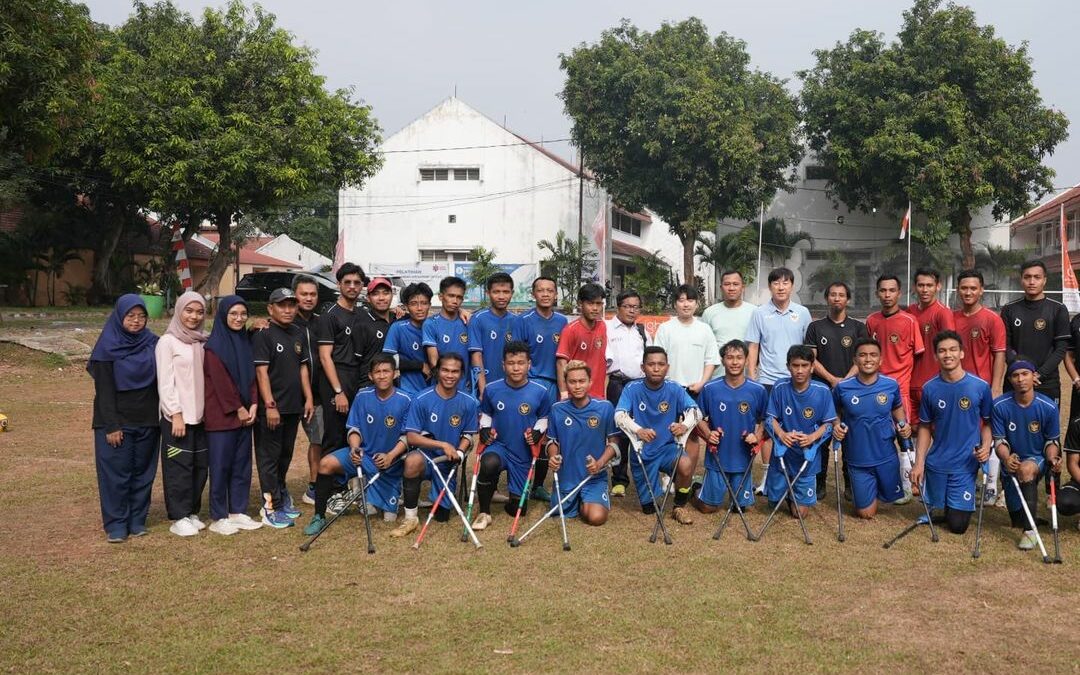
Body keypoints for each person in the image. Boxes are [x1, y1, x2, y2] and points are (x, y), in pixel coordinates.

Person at [304, 353, 411, 535]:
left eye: (386, 371)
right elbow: (354, 428)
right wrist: (355, 447)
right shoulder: (362, 396)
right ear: (370, 376)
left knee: (389, 518)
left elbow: (409, 436)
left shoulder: (407, 399)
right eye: (377, 372)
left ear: (395, 374)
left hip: (390, 461)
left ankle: (386, 493)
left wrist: (391, 456)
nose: (382, 375)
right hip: (363, 456)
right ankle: (319, 516)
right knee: (325, 464)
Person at [88, 295, 161, 543]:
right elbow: (104, 390)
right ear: (120, 317)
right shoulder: (106, 347)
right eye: (131, 316)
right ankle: (116, 523)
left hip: (148, 419)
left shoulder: (152, 342)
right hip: (116, 422)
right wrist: (112, 425)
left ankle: (137, 519)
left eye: (141, 317)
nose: (137, 321)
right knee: (115, 475)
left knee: (143, 472)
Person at [910, 331, 993, 535]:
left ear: (962, 353)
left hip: (965, 463)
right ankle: (940, 500)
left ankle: (955, 502)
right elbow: (924, 427)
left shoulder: (980, 387)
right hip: (937, 462)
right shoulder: (929, 388)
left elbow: (989, 423)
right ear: (936, 356)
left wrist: (985, 447)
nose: (948, 355)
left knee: (957, 526)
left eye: (953, 350)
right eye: (942, 351)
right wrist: (919, 462)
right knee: (938, 513)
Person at [391, 353, 479, 537]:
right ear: (438, 371)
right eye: (445, 370)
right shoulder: (421, 398)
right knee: (412, 461)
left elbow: (468, 435)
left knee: (443, 516)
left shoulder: (469, 402)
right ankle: (411, 517)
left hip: (448, 463)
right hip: (427, 457)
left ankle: (442, 501)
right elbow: (412, 437)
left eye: (455, 371)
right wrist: (443, 444)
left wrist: (460, 452)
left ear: (462, 374)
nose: (449, 375)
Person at [615, 346, 702, 524]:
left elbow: (696, 412)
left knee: (685, 464)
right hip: (643, 453)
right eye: (651, 364)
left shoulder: (675, 388)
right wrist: (638, 430)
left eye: (661, 364)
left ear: (667, 367)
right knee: (650, 509)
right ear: (642, 367)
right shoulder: (632, 388)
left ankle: (679, 505)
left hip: (667, 449)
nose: (656, 368)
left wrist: (684, 426)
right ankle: (654, 494)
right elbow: (619, 415)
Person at [471, 341, 552, 530]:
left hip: (523, 452)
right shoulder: (492, 389)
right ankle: (484, 512)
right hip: (499, 446)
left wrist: (538, 431)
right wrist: (484, 428)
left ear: (529, 365)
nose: (516, 368)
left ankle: (511, 498)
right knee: (489, 462)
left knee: (519, 510)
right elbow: (487, 414)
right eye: (511, 363)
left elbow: (544, 417)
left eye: (521, 363)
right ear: (503, 365)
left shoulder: (540, 392)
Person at [253, 288, 314, 529]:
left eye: (292, 305)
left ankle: (280, 498)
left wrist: (308, 398)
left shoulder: (298, 332)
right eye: (282, 305)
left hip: (293, 408)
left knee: (284, 456)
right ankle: (269, 507)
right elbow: (261, 372)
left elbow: (303, 369)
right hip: (272, 410)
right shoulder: (263, 334)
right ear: (270, 309)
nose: (288, 310)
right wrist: (269, 405)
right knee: (268, 458)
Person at [831, 339, 909, 519]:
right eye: (862, 355)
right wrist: (836, 425)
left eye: (873, 355)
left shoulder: (891, 384)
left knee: (891, 498)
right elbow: (833, 411)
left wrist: (903, 424)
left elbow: (897, 406)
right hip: (858, 456)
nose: (868, 359)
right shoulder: (843, 387)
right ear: (855, 360)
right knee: (866, 514)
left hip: (885, 453)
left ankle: (879, 485)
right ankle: (864, 488)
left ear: (880, 360)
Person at [202, 296, 261, 535]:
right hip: (222, 417)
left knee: (242, 465)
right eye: (233, 314)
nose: (239, 318)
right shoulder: (214, 346)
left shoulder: (245, 341)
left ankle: (238, 511)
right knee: (220, 466)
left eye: (243, 313)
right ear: (223, 315)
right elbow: (221, 383)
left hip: (246, 416)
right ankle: (219, 515)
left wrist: (255, 403)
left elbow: (252, 376)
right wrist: (238, 408)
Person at [804, 281, 867, 495]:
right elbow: (811, 359)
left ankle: (850, 484)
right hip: (822, 391)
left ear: (848, 299)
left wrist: (845, 382)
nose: (837, 298)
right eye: (832, 294)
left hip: (852, 393)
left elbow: (863, 359)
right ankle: (819, 483)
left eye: (841, 295)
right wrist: (832, 380)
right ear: (827, 298)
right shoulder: (815, 327)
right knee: (822, 439)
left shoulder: (858, 327)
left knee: (849, 437)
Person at [155, 291, 210, 537]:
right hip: (178, 418)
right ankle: (178, 516)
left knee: (200, 466)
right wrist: (175, 413)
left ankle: (191, 511)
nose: (193, 316)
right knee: (179, 467)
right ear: (179, 311)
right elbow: (165, 381)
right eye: (189, 310)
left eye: (199, 312)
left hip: (201, 417)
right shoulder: (168, 342)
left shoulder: (202, 340)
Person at [991, 360, 1062, 550]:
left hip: (1035, 460)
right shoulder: (999, 406)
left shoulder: (1048, 407)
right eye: (1015, 375)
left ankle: (1030, 532)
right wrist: (1006, 458)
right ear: (1010, 379)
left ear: (1034, 377)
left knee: (1026, 469)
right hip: (1010, 464)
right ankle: (1028, 519)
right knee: (1017, 519)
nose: (1020, 379)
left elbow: (1052, 442)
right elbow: (999, 441)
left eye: (1025, 374)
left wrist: (1052, 458)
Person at [866, 273, 923, 501]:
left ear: (899, 293)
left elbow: (918, 357)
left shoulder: (909, 321)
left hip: (899, 392)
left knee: (904, 437)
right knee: (879, 438)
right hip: (874, 390)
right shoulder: (871, 321)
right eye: (883, 290)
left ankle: (909, 486)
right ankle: (884, 484)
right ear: (877, 293)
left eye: (892, 290)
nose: (887, 295)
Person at [692, 340, 766, 514]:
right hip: (717, 457)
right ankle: (696, 490)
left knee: (740, 508)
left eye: (739, 358)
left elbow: (767, 419)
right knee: (708, 508)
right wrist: (708, 434)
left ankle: (736, 494)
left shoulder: (758, 390)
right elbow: (697, 416)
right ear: (723, 361)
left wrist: (757, 436)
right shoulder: (710, 388)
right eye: (730, 357)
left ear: (747, 361)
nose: (734, 362)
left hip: (743, 459)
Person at [954, 269, 1007, 505]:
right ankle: (969, 479)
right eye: (964, 288)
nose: (968, 292)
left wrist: (995, 387)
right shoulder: (951, 318)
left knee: (989, 434)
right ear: (957, 290)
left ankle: (991, 485)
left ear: (981, 290)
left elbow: (999, 355)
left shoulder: (992, 319)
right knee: (965, 435)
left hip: (984, 389)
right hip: (957, 390)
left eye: (973, 288)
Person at [765, 345, 837, 519]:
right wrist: (782, 434)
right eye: (795, 365)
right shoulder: (779, 386)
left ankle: (794, 494)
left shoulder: (823, 391)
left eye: (804, 366)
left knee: (800, 514)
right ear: (788, 366)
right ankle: (785, 487)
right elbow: (769, 419)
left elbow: (828, 424)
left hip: (806, 456)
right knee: (773, 501)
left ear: (812, 367)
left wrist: (812, 437)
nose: (799, 370)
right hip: (784, 453)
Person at [546, 360, 618, 525]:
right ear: (566, 383)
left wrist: (599, 463)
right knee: (558, 514)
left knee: (596, 518)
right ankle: (578, 500)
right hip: (567, 477)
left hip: (593, 477)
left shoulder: (605, 407)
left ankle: (591, 499)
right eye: (572, 382)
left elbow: (614, 442)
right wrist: (553, 457)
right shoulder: (557, 409)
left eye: (581, 381)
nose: (577, 386)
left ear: (590, 382)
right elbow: (552, 441)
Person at [520, 276, 568, 500]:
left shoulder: (562, 321)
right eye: (541, 290)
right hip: (531, 384)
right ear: (534, 294)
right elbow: (517, 354)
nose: (546, 294)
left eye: (550, 290)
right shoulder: (524, 320)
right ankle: (520, 481)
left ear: (556, 294)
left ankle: (538, 484)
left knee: (547, 434)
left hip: (554, 386)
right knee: (527, 433)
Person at [1000, 260, 1070, 406]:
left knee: (1046, 428)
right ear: (1021, 280)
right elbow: (1005, 346)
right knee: (1013, 427)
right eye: (1027, 277)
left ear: (1044, 280)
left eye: (1037, 277)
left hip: (1046, 382)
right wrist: (1020, 371)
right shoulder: (1009, 309)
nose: (1032, 281)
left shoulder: (1058, 309)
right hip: (1016, 380)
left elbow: (1061, 349)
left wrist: (1039, 374)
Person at [317, 263, 365, 459]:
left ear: (362, 286)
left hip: (356, 376)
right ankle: (327, 488)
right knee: (334, 435)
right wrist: (338, 392)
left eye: (357, 282)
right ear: (339, 285)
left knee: (354, 432)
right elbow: (324, 356)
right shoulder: (330, 316)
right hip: (336, 377)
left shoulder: (362, 314)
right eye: (347, 282)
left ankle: (348, 485)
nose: (352, 286)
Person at [605, 289, 648, 497]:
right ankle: (619, 480)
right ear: (618, 306)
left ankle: (644, 476)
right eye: (628, 306)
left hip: (639, 386)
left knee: (640, 429)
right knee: (620, 431)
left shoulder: (642, 330)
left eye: (636, 307)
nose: (632, 311)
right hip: (617, 385)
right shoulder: (607, 328)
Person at [746, 268, 811, 390]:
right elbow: (753, 346)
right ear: (770, 287)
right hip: (767, 379)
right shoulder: (759, 313)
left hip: (796, 378)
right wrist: (751, 376)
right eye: (776, 283)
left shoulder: (803, 312)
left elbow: (809, 347)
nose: (781, 288)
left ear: (792, 286)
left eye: (785, 283)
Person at [908, 268, 956, 425]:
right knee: (913, 430)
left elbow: (950, 348)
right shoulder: (910, 312)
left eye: (929, 285)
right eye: (921, 285)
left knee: (937, 429)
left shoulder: (943, 313)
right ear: (915, 287)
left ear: (938, 286)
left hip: (934, 384)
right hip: (910, 383)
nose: (925, 289)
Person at [653, 283, 720, 396]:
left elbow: (711, 360)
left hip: (697, 390)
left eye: (690, 300)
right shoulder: (665, 328)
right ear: (675, 304)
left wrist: (702, 383)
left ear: (697, 304)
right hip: (669, 389)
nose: (686, 305)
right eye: (681, 300)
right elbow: (657, 360)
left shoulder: (705, 329)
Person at [293, 275, 325, 506]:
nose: (308, 298)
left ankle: (314, 486)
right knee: (280, 448)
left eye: (312, 294)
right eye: (304, 294)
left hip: (316, 394)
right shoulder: (284, 320)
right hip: (287, 395)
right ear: (295, 294)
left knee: (318, 439)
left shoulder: (322, 322)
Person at [469, 271, 524, 398]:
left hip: (512, 386)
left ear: (512, 293)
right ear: (488, 293)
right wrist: (483, 390)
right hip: (487, 384)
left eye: (505, 292)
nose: (501, 296)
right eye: (496, 292)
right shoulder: (478, 319)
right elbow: (476, 355)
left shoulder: (517, 320)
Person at [556, 283, 608, 401]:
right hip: (574, 397)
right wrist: (564, 394)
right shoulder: (570, 330)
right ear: (580, 304)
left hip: (597, 396)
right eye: (590, 303)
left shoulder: (603, 326)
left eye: (598, 304)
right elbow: (561, 364)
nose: (595, 308)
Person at [422, 276, 472, 393]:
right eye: (451, 296)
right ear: (441, 297)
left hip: (466, 389)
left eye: (459, 297)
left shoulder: (469, 321)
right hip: (441, 389)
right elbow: (434, 361)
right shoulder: (430, 324)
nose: (455, 301)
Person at [383, 282, 433, 396]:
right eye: (414, 303)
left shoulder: (436, 327)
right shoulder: (398, 328)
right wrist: (419, 366)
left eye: (424, 303)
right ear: (406, 306)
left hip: (435, 392)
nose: (419, 308)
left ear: (429, 304)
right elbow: (387, 359)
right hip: (407, 392)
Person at [701, 270, 756, 366]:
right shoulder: (709, 313)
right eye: (727, 284)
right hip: (717, 373)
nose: (731, 288)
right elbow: (703, 345)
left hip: (746, 375)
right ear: (721, 288)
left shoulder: (755, 312)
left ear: (743, 287)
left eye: (735, 284)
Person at [353, 277, 395, 382]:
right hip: (369, 385)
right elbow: (356, 362)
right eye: (375, 294)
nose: (381, 298)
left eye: (386, 293)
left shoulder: (399, 320)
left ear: (392, 295)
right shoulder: (362, 324)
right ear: (368, 298)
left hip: (395, 385)